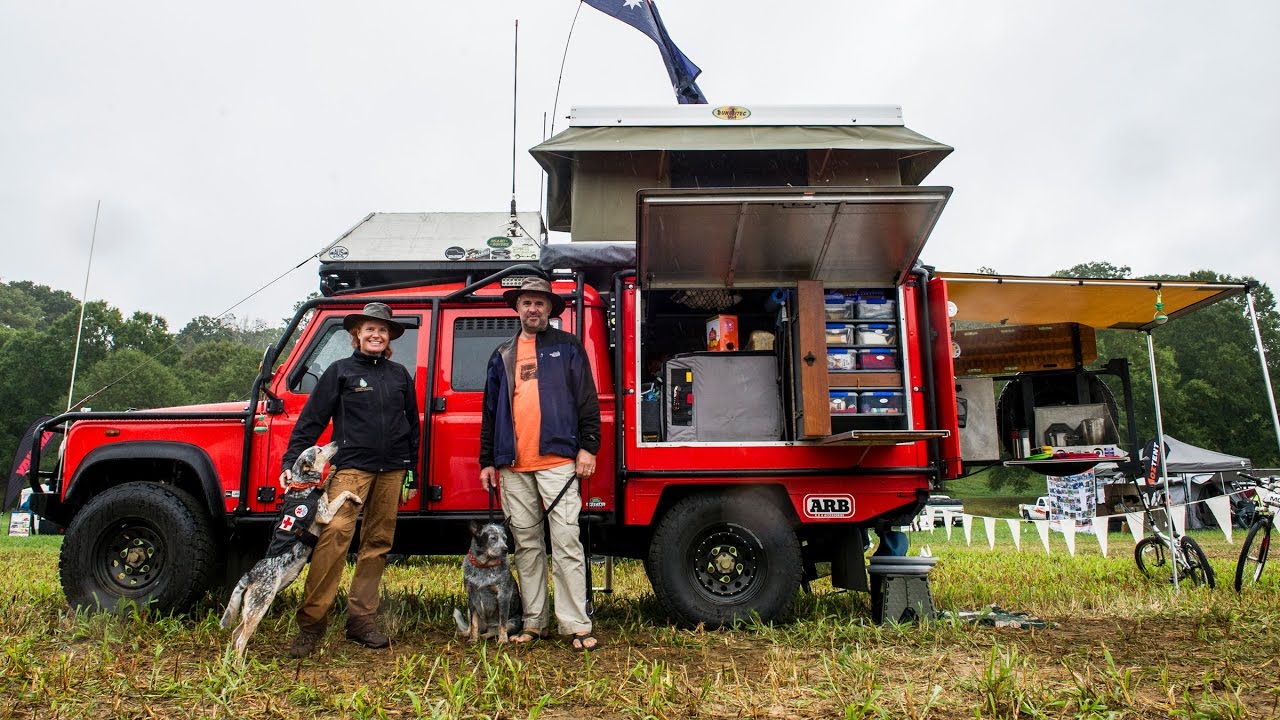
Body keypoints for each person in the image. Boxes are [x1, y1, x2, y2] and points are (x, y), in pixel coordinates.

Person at [280, 301, 419, 658]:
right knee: (336, 536)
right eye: (369, 328)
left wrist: (412, 470)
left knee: (377, 543)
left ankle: (361, 622)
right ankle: (311, 627)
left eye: (382, 329)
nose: (376, 334)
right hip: (351, 470)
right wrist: (291, 461)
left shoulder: (400, 374)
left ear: (389, 337)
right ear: (357, 334)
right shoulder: (339, 371)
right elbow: (311, 421)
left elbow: (412, 427)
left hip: (392, 471)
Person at [479, 277, 602, 651]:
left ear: (550, 309)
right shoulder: (502, 353)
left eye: (540, 303)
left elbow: (587, 400)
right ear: (516, 308)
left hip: (557, 461)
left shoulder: (567, 347)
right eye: (527, 303)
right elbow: (489, 412)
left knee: (566, 541)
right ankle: (535, 622)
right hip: (512, 465)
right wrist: (488, 460)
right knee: (527, 546)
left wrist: (588, 448)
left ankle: (576, 625)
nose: (533, 309)